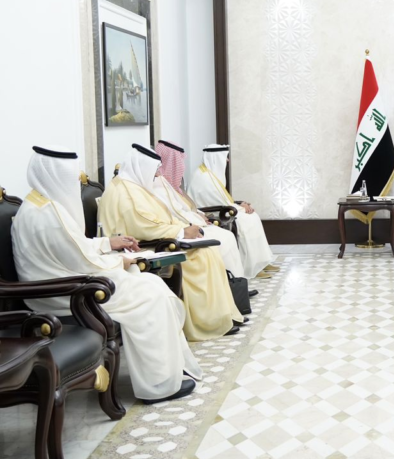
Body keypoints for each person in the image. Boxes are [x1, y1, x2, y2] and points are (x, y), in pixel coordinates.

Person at [12, 146, 202, 403]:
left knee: (152, 285)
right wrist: (120, 261)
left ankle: (168, 371)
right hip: (61, 293)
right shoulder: (47, 215)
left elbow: (76, 246)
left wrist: (107, 244)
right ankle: (157, 385)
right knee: (151, 297)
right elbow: (80, 260)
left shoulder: (40, 204)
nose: (74, 183)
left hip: (67, 280)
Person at [100, 144, 243, 341]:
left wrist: (185, 228)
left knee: (208, 251)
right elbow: (144, 225)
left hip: (152, 238)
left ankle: (221, 317)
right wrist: (181, 231)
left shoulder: (133, 186)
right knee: (200, 257)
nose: (157, 175)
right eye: (154, 170)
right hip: (140, 246)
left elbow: (160, 217)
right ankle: (205, 323)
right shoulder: (126, 192)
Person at [154, 140, 247, 281]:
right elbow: (175, 214)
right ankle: (231, 283)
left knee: (227, 237)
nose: (182, 166)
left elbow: (186, 207)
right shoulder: (159, 187)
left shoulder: (169, 186)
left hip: (192, 223)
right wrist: (197, 220)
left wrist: (200, 215)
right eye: (179, 161)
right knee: (224, 238)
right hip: (182, 230)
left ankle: (236, 283)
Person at [189, 144, 275, 279]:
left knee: (252, 217)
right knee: (246, 220)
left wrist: (239, 205)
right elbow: (215, 203)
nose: (227, 160)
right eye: (225, 157)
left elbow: (222, 200)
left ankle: (260, 263)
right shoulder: (203, 177)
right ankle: (251, 267)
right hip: (211, 214)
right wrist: (241, 208)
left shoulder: (210, 174)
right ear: (216, 158)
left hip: (222, 210)